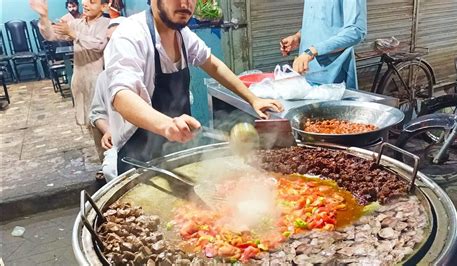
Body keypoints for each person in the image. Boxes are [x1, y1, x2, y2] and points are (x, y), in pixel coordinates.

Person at [104, 0, 284, 174]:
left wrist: (253, 99)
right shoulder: (130, 35)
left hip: (178, 151)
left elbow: (213, 65)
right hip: (139, 157)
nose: (185, 4)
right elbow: (122, 96)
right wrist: (167, 125)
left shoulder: (182, 34)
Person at [30, 0, 110, 126]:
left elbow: (98, 45)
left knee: (101, 122)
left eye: (92, 2)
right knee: (87, 122)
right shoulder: (76, 23)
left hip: (98, 81)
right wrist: (44, 17)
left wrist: (73, 33)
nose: (85, 4)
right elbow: (51, 35)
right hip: (79, 79)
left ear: (104, 6)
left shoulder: (107, 24)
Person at [280, 0, 367, 90]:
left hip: (334, 80)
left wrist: (312, 51)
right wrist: (298, 37)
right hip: (306, 77)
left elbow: (356, 31)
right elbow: (322, 23)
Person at [89, 17, 126, 182]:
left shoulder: (151, 71)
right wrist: (109, 130)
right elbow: (97, 113)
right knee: (112, 169)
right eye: (109, 41)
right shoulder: (104, 78)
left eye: (118, 40)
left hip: (153, 144)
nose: (112, 46)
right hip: (119, 145)